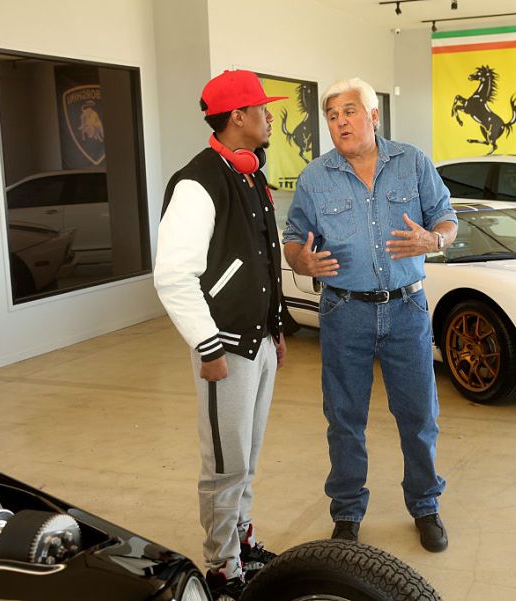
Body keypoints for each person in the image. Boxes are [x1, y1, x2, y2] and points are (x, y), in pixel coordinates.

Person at [282, 77, 457, 553]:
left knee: (418, 414)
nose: (340, 121)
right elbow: (293, 237)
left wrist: (433, 240)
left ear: (373, 115)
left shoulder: (412, 162)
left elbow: (447, 217)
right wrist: (302, 261)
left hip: (406, 308)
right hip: (344, 312)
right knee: (344, 418)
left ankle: (425, 505)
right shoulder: (315, 177)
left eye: (349, 111)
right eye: (332, 115)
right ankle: (346, 513)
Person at [154, 69, 288, 598]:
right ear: (239, 117)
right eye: (262, 108)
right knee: (224, 465)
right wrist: (207, 347)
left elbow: (260, 259)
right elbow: (172, 275)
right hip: (225, 349)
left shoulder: (251, 173)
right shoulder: (197, 183)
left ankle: (242, 540)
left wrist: (277, 327)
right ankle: (221, 567)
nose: (270, 115)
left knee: (247, 458)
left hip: (259, 343)